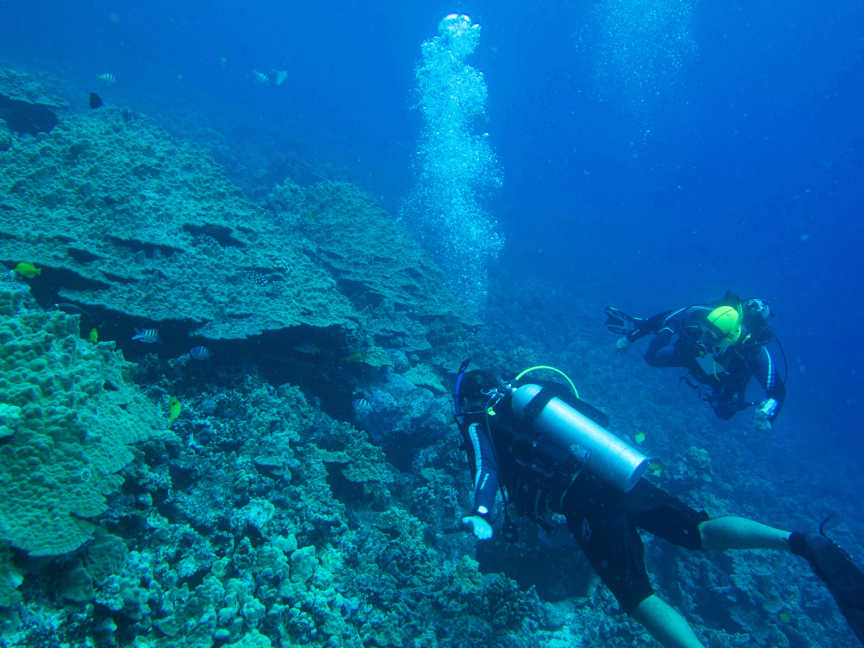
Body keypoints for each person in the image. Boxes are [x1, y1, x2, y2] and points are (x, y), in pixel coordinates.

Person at [452, 362, 864, 648]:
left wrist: (483, 512)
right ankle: (798, 541)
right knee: (699, 532)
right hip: (621, 476)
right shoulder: (535, 395)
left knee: (638, 597)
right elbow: (598, 420)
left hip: (585, 502)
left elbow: (485, 467)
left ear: (465, 402)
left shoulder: (477, 421)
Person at [604, 293, 785, 430]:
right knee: (654, 356)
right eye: (705, 331)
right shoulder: (701, 314)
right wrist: (632, 337)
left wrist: (767, 414)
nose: (706, 338)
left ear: (729, 337)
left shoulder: (752, 348)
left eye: (713, 337)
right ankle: (644, 324)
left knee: (725, 411)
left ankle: (650, 327)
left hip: (723, 373)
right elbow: (669, 318)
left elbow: (777, 391)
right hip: (697, 356)